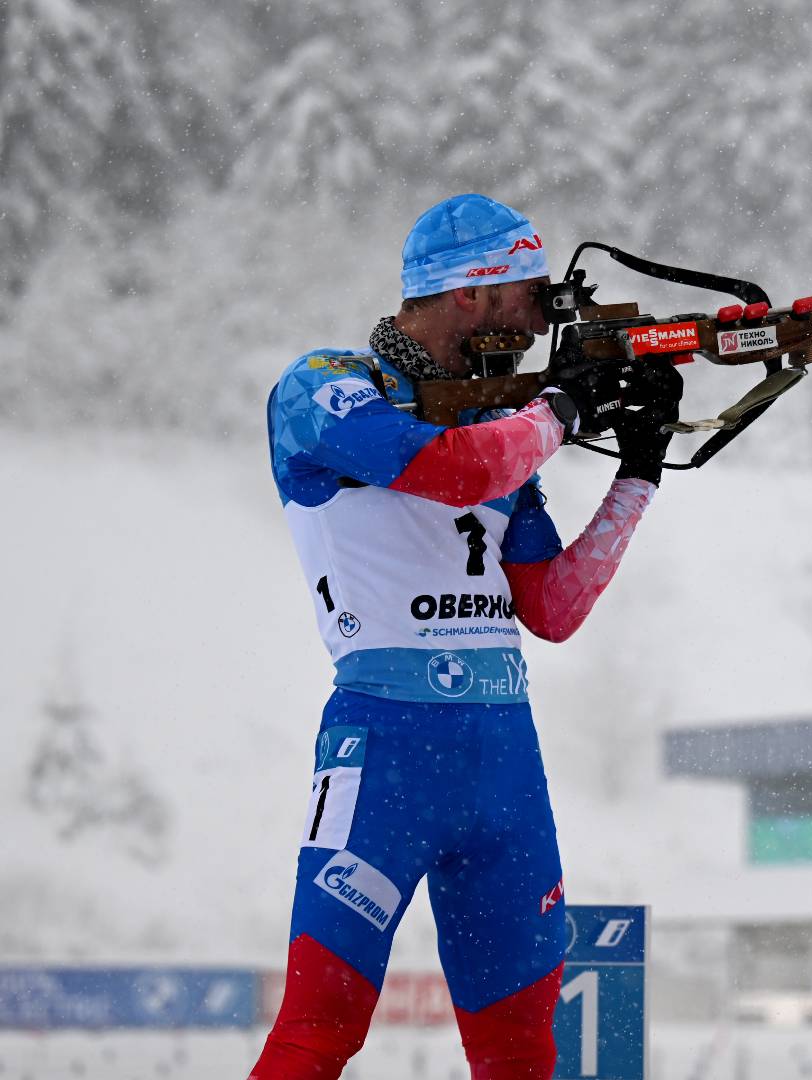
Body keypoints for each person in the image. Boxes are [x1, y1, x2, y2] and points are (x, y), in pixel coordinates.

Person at [250, 194, 676, 1079]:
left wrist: (638, 470)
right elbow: (447, 474)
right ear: (471, 294)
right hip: (383, 749)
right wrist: (558, 412)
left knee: (521, 1051)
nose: (541, 319)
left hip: (504, 762)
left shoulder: (499, 424)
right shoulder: (324, 388)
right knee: (318, 1030)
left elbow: (553, 609)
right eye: (529, 295)